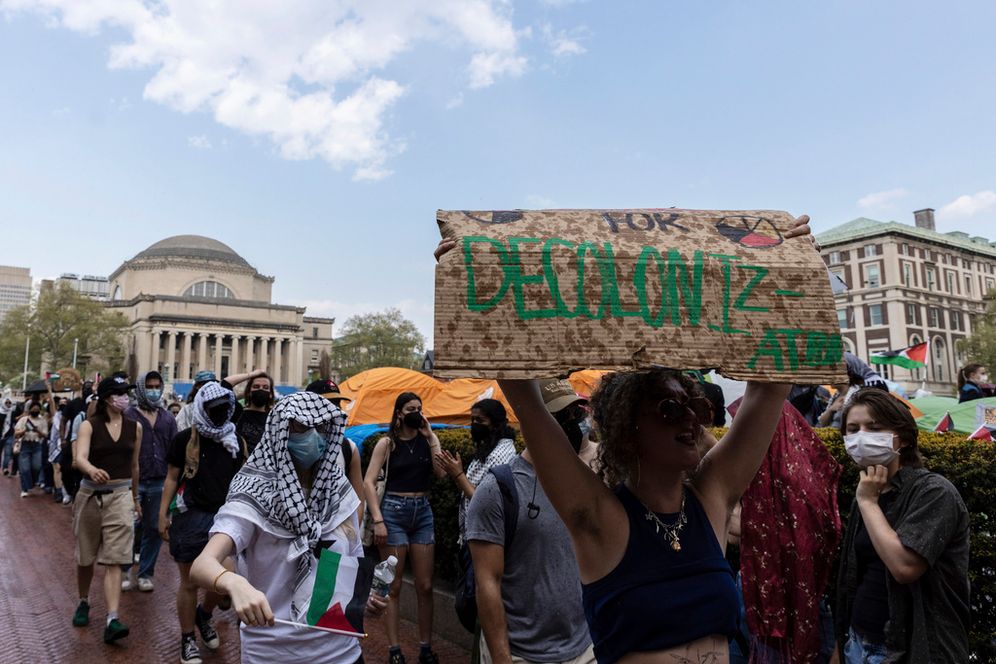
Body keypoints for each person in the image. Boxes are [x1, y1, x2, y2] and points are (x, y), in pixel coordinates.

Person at [190, 391, 388, 663]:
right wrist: (233, 582)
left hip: (341, 651)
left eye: (321, 427)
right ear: (279, 429)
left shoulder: (338, 495)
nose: (314, 436)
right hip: (272, 652)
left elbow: (345, 565)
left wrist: (361, 600)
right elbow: (202, 565)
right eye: (302, 426)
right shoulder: (254, 495)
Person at [835, 388, 970, 663]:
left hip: (910, 651)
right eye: (853, 429)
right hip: (857, 645)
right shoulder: (870, 491)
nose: (861, 437)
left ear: (904, 438)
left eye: (874, 428)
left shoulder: (934, 492)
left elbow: (905, 567)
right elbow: (855, 577)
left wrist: (868, 503)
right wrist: (842, 645)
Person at [466, 381, 596, 664]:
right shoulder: (498, 490)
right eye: (561, 416)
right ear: (532, 421)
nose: (574, 424)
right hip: (522, 655)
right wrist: (502, 658)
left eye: (575, 414)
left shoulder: (585, 478)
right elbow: (487, 582)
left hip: (584, 649)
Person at [160, 381, 246, 664]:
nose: (219, 413)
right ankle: (187, 638)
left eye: (223, 408)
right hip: (190, 516)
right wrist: (162, 514)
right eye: (213, 408)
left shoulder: (235, 441)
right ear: (202, 408)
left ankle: (204, 614)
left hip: (225, 520)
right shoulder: (185, 439)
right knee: (189, 582)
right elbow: (172, 477)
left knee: (224, 580)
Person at [363, 392, 445, 664]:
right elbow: (368, 482)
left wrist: (432, 438)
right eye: (410, 409)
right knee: (393, 585)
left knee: (425, 585)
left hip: (422, 512)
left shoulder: (426, 440)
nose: (416, 413)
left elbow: (441, 473)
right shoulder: (387, 443)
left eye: (419, 408)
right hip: (393, 513)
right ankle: (395, 650)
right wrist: (378, 520)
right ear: (398, 413)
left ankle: (425, 648)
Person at [70, 375, 142, 644]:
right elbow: (79, 458)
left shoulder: (135, 427)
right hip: (90, 496)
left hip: (121, 495)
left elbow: (135, 466)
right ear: (108, 397)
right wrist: (91, 470)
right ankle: (83, 600)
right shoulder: (89, 425)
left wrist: (135, 498)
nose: (125, 398)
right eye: (120, 393)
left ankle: (112, 618)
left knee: (115, 559)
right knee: (85, 557)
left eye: (126, 393)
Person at [122, 371, 178, 592]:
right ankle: (125, 569)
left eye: (157, 386)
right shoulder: (129, 415)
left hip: (159, 480)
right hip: (133, 480)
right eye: (149, 386)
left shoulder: (167, 418)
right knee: (128, 527)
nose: (154, 390)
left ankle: (145, 573)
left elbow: (173, 450)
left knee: (154, 528)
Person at [435, 398, 518, 545]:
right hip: (475, 531)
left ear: (496, 423)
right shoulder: (490, 446)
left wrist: (458, 474)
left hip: (485, 535)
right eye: (472, 420)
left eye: (480, 420)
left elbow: (484, 500)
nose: (474, 424)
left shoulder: (500, 455)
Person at [305, 378, 364, 523]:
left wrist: (350, 532)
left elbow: (358, 501)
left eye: (337, 404)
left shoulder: (348, 447)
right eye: (327, 403)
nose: (334, 410)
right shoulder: (294, 445)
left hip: (336, 531)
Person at [14, 383, 55, 498]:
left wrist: (38, 431)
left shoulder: (42, 421)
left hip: (37, 445)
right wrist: (25, 430)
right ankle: (24, 488)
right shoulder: (24, 419)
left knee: (36, 467)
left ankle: (31, 482)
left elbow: (45, 435)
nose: (35, 410)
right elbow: (16, 433)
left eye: (37, 409)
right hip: (25, 445)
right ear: (30, 409)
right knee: (24, 468)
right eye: (33, 409)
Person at [235, 371, 274, 454]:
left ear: (270, 394)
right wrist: (250, 375)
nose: (261, 389)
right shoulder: (238, 414)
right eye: (256, 386)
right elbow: (225, 385)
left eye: (265, 387)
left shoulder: (274, 418)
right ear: (249, 392)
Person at [1, 395, 16, 476]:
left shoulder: (12, 412)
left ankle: (5, 468)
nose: (8, 404)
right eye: (6, 402)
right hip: (0, 435)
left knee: (8, 453)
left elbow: (15, 421)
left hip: (9, 435)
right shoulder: (0, 412)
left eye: (9, 402)